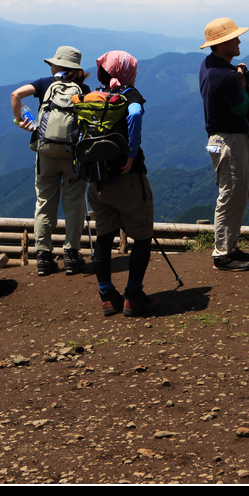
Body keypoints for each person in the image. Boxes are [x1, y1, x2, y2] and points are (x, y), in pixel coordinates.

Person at [84, 51, 160, 317]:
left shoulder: (93, 96)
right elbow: (136, 115)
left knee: (104, 237)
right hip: (128, 180)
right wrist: (130, 154)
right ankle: (133, 295)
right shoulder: (129, 95)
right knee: (141, 236)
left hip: (96, 181)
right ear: (126, 73)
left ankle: (107, 295)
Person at [198, 17, 249, 271]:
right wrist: (243, 82)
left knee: (231, 192)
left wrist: (248, 74)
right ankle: (223, 255)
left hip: (215, 140)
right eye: (234, 38)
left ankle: (230, 246)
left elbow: (227, 85)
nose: (239, 41)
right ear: (221, 44)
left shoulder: (208, 65)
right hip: (230, 140)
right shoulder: (229, 77)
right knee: (232, 195)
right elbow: (241, 107)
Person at [11, 46, 90, 277]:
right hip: (72, 155)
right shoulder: (83, 88)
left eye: (53, 63)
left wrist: (20, 122)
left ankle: (43, 257)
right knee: (74, 204)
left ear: (58, 65)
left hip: (45, 153)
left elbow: (15, 95)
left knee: (44, 202)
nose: (50, 65)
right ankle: (71, 256)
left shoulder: (44, 83)